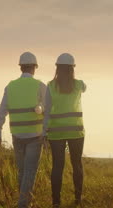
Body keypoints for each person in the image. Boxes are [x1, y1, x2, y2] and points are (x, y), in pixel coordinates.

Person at [0, 51, 47, 208]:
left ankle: (25, 202)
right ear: (34, 68)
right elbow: (49, 109)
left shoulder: (10, 87)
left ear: (21, 68)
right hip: (35, 136)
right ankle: (23, 205)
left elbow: (1, 111)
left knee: (22, 172)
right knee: (29, 172)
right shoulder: (40, 86)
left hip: (17, 136)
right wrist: (41, 109)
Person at [43, 53, 86, 207]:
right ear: (72, 69)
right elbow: (85, 88)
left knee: (57, 166)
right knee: (77, 165)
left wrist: (44, 133)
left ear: (57, 68)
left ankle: (56, 202)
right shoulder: (79, 84)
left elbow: (46, 111)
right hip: (76, 131)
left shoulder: (50, 86)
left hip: (56, 132)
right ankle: (77, 200)